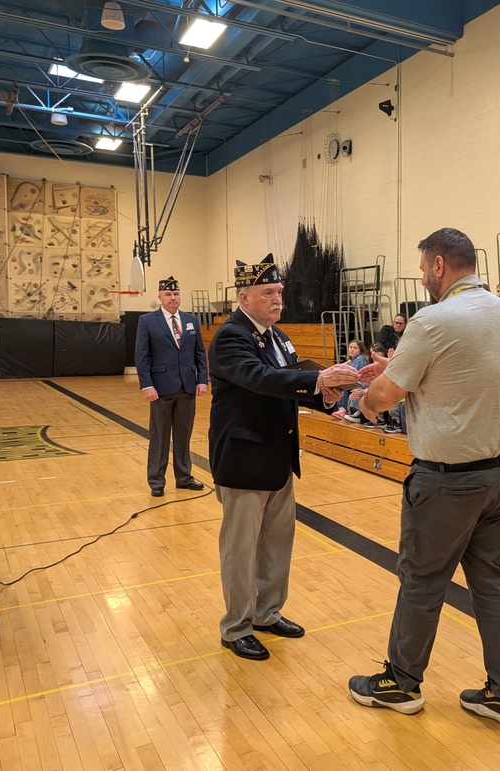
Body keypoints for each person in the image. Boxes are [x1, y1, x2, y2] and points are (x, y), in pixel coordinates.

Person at [348, 227, 500, 732]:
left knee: (422, 580)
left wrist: (362, 401)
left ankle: (402, 683)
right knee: (491, 581)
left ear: (436, 266)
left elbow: (385, 395)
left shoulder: (432, 319)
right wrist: (402, 366)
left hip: (450, 481)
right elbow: (460, 369)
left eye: (425, 268)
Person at [208, 254, 358, 661]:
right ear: (244, 296)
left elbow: (292, 380)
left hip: (276, 456)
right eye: (268, 293)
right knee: (241, 550)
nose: (277, 300)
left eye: (279, 292)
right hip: (243, 458)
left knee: (277, 543)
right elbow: (260, 379)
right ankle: (236, 626)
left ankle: (266, 612)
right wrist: (318, 379)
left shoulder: (277, 335)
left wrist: (327, 393)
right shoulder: (231, 336)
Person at [135, 276, 209, 497]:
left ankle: (184, 477)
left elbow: (199, 352)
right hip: (160, 388)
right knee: (159, 436)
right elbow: (142, 356)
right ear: (160, 297)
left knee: (183, 435)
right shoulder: (148, 321)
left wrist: (202, 379)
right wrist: (147, 385)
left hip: (187, 387)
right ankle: (156, 481)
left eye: (176, 294)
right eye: (168, 294)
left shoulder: (190, 320)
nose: (173, 298)